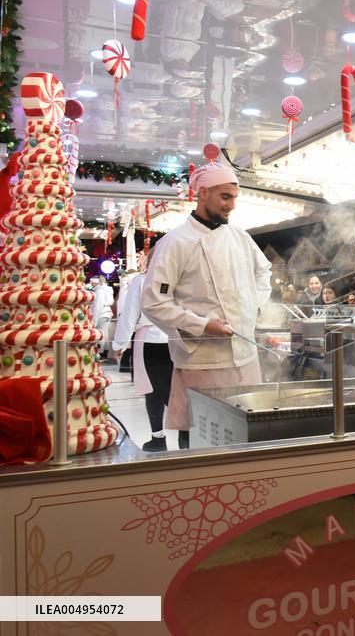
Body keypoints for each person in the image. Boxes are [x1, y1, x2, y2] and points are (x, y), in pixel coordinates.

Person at [141, 162, 271, 449]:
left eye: (235, 197)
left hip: (246, 355)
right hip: (203, 359)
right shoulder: (174, 243)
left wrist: (255, 308)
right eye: (225, 197)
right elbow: (153, 301)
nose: (232, 205)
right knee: (200, 436)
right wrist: (201, 325)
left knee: (246, 435)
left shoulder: (240, 237)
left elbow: (264, 272)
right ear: (202, 193)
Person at [112, 248, 173, 452]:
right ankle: (186, 436)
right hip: (177, 341)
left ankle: (158, 438)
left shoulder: (141, 281)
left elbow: (129, 315)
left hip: (149, 342)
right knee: (177, 392)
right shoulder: (181, 280)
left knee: (153, 391)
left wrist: (119, 344)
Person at [91, 276, 115, 360]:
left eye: (92, 282)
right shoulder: (106, 290)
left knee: (101, 335)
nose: (91, 284)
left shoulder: (100, 292)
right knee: (104, 334)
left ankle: (100, 353)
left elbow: (98, 306)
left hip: (101, 314)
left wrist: (94, 320)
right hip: (105, 314)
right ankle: (103, 352)